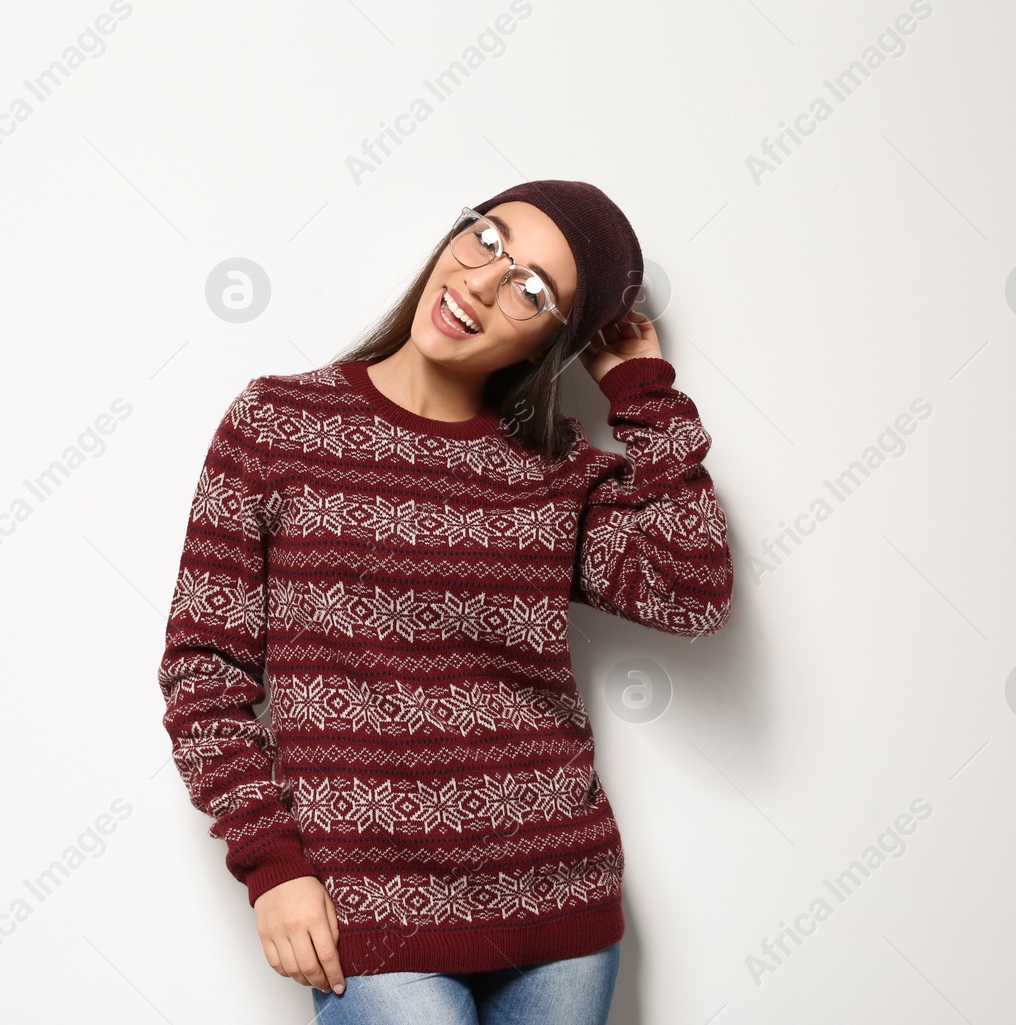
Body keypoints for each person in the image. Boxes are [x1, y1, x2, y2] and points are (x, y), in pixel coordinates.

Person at [158, 179, 734, 1024]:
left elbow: (693, 590)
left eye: (533, 291)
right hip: (371, 916)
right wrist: (272, 867)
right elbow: (203, 673)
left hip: (559, 904)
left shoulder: (557, 468)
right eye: (488, 239)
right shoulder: (277, 423)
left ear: (555, 341)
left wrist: (644, 392)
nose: (483, 283)